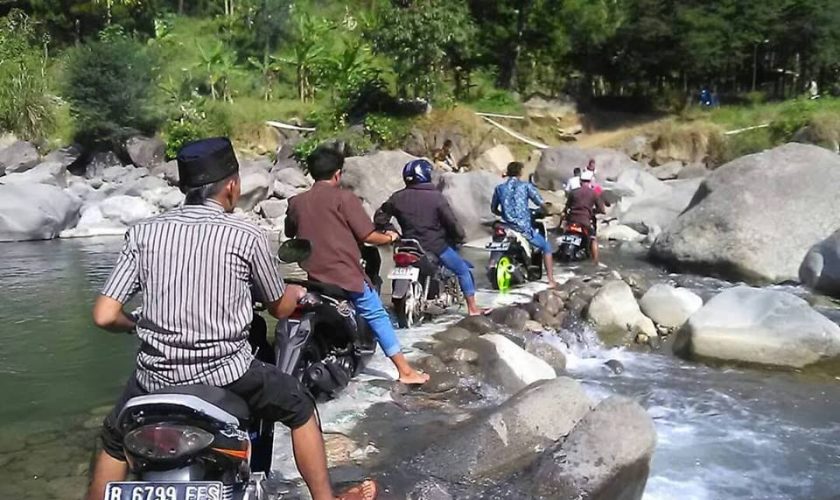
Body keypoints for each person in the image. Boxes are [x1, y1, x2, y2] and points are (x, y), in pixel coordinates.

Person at [87, 137, 377, 500]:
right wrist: (296, 293)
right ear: (232, 185)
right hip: (227, 371)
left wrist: (136, 325)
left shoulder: (144, 232)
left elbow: (104, 315)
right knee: (300, 405)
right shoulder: (247, 234)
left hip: (154, 375)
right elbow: (279, 308)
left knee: (116, 436)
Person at [285, 146, 429, 386]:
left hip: (313, 278)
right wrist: (391, 238)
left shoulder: (297, 202)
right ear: (337, 174)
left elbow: (291, 232)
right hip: (345, 277)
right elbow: (368, 236)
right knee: (376, 313)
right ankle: (405, 371)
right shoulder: (344, 197)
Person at [374, 159, 483, 316]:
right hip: (436, 246)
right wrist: (459, 237)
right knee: (462, 270)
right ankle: (473, 309)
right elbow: (451, 222)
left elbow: (379, 219)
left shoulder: (397, 197)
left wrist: (392, 232)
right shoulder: (436, 197)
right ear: (425, 175)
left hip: (407, 245)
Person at [491, 161, 557, 288]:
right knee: (546, 247)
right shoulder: (526, 186)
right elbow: (540, 203)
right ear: (520, 172)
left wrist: (504, 214)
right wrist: (546, 210)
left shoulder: (499, 188)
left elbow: (494, 209)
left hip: (505, 226)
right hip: (523, 228)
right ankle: (550, 280)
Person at [564, 170, 606, 264]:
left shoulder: (574, 192)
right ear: (590, 182)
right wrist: (592, 211)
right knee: (593, 238)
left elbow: (567, 207)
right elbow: (602, 210)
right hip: (585, 222)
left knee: (564, 233)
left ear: (580, 181)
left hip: (572, 220)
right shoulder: (594, 193)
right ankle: (595, 261)